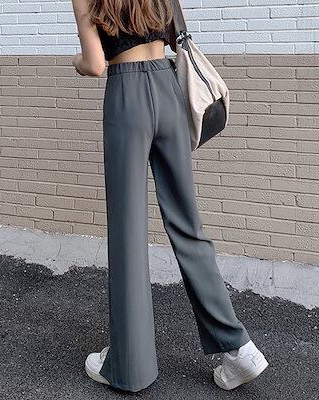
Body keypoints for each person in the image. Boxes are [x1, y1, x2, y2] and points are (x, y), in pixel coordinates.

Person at [71, 0, 269, 393]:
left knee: (128, 231)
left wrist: (75, 62)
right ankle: (239, 349)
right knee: (187, 224)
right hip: (167, 87)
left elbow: (94, 64)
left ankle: (130, 366)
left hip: (126, 94)